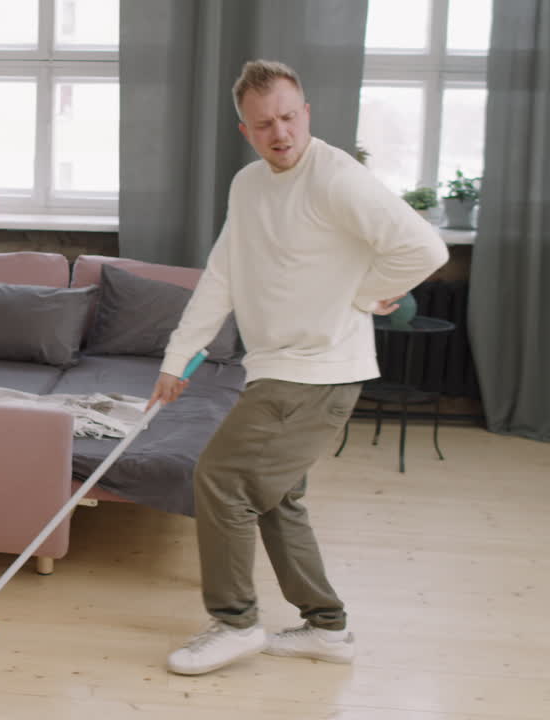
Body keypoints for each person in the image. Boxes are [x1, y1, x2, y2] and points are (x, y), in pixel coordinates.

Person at [147, 59, 448, 676]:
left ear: (306, 111)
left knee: (220, 478)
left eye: (288, 117)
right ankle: (326, 630)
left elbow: (425, 247)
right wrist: (178, 360)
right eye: (264, 124)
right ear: (246, 131)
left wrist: (366, 294)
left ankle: (234, 623)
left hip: (317, 370)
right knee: (276, 497)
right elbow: (222, 277)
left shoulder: (337, 178)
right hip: (276, 367)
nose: (279, 132)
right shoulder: (249, 186)